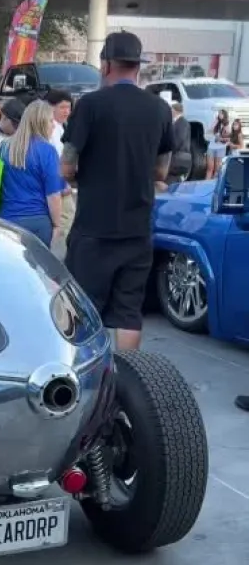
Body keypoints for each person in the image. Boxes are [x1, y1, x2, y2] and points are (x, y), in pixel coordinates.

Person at [62, 31, 174, 352]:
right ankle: (126, 382)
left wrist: (85, 178)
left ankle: (87, 382)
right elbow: (161, 171)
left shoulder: (91, 105)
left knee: (83, 310)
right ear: (137, 67)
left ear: (107, 64)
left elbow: (67, 167)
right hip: (137, 228)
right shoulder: (159, 109)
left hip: (94, 229)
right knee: (128, 314)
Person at [0, 99, 63, 247]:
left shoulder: (5, 147)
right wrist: (57, 225)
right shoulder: (47, 151)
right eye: (50, 121)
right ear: (40, 122)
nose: (54, 125)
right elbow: (53, 195)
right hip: (38, 221)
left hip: (7, 219)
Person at [47, 88, 75, 256]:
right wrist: (62, 183)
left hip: (62, 186)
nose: (67, 111)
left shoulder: (61, 128)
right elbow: (55, 160)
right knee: (64, 226)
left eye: (68, 107)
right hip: (58, 188)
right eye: (62, 107)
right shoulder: (51, 129)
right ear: (51, 107)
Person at [167, 102, 192, 185]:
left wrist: (169, 149)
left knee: (172, 180)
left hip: (179, 157)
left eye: (171, 109)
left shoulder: (182, 122)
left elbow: (179, 139)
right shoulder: (178, 122)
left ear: (175, 110)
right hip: (178, 156)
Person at [206, 109, 229, 179]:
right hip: (211, 147)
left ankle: (214, 185)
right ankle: (206, 183)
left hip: (221, 148)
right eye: (219, 113)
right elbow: (209, 130)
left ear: (225, 115)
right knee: (210, 167)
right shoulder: (216, 122)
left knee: (217, 169)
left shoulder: (227, 124)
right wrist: (215, 121)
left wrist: (220, 139)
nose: (219, 115)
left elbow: (229, 137)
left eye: (221, 113)